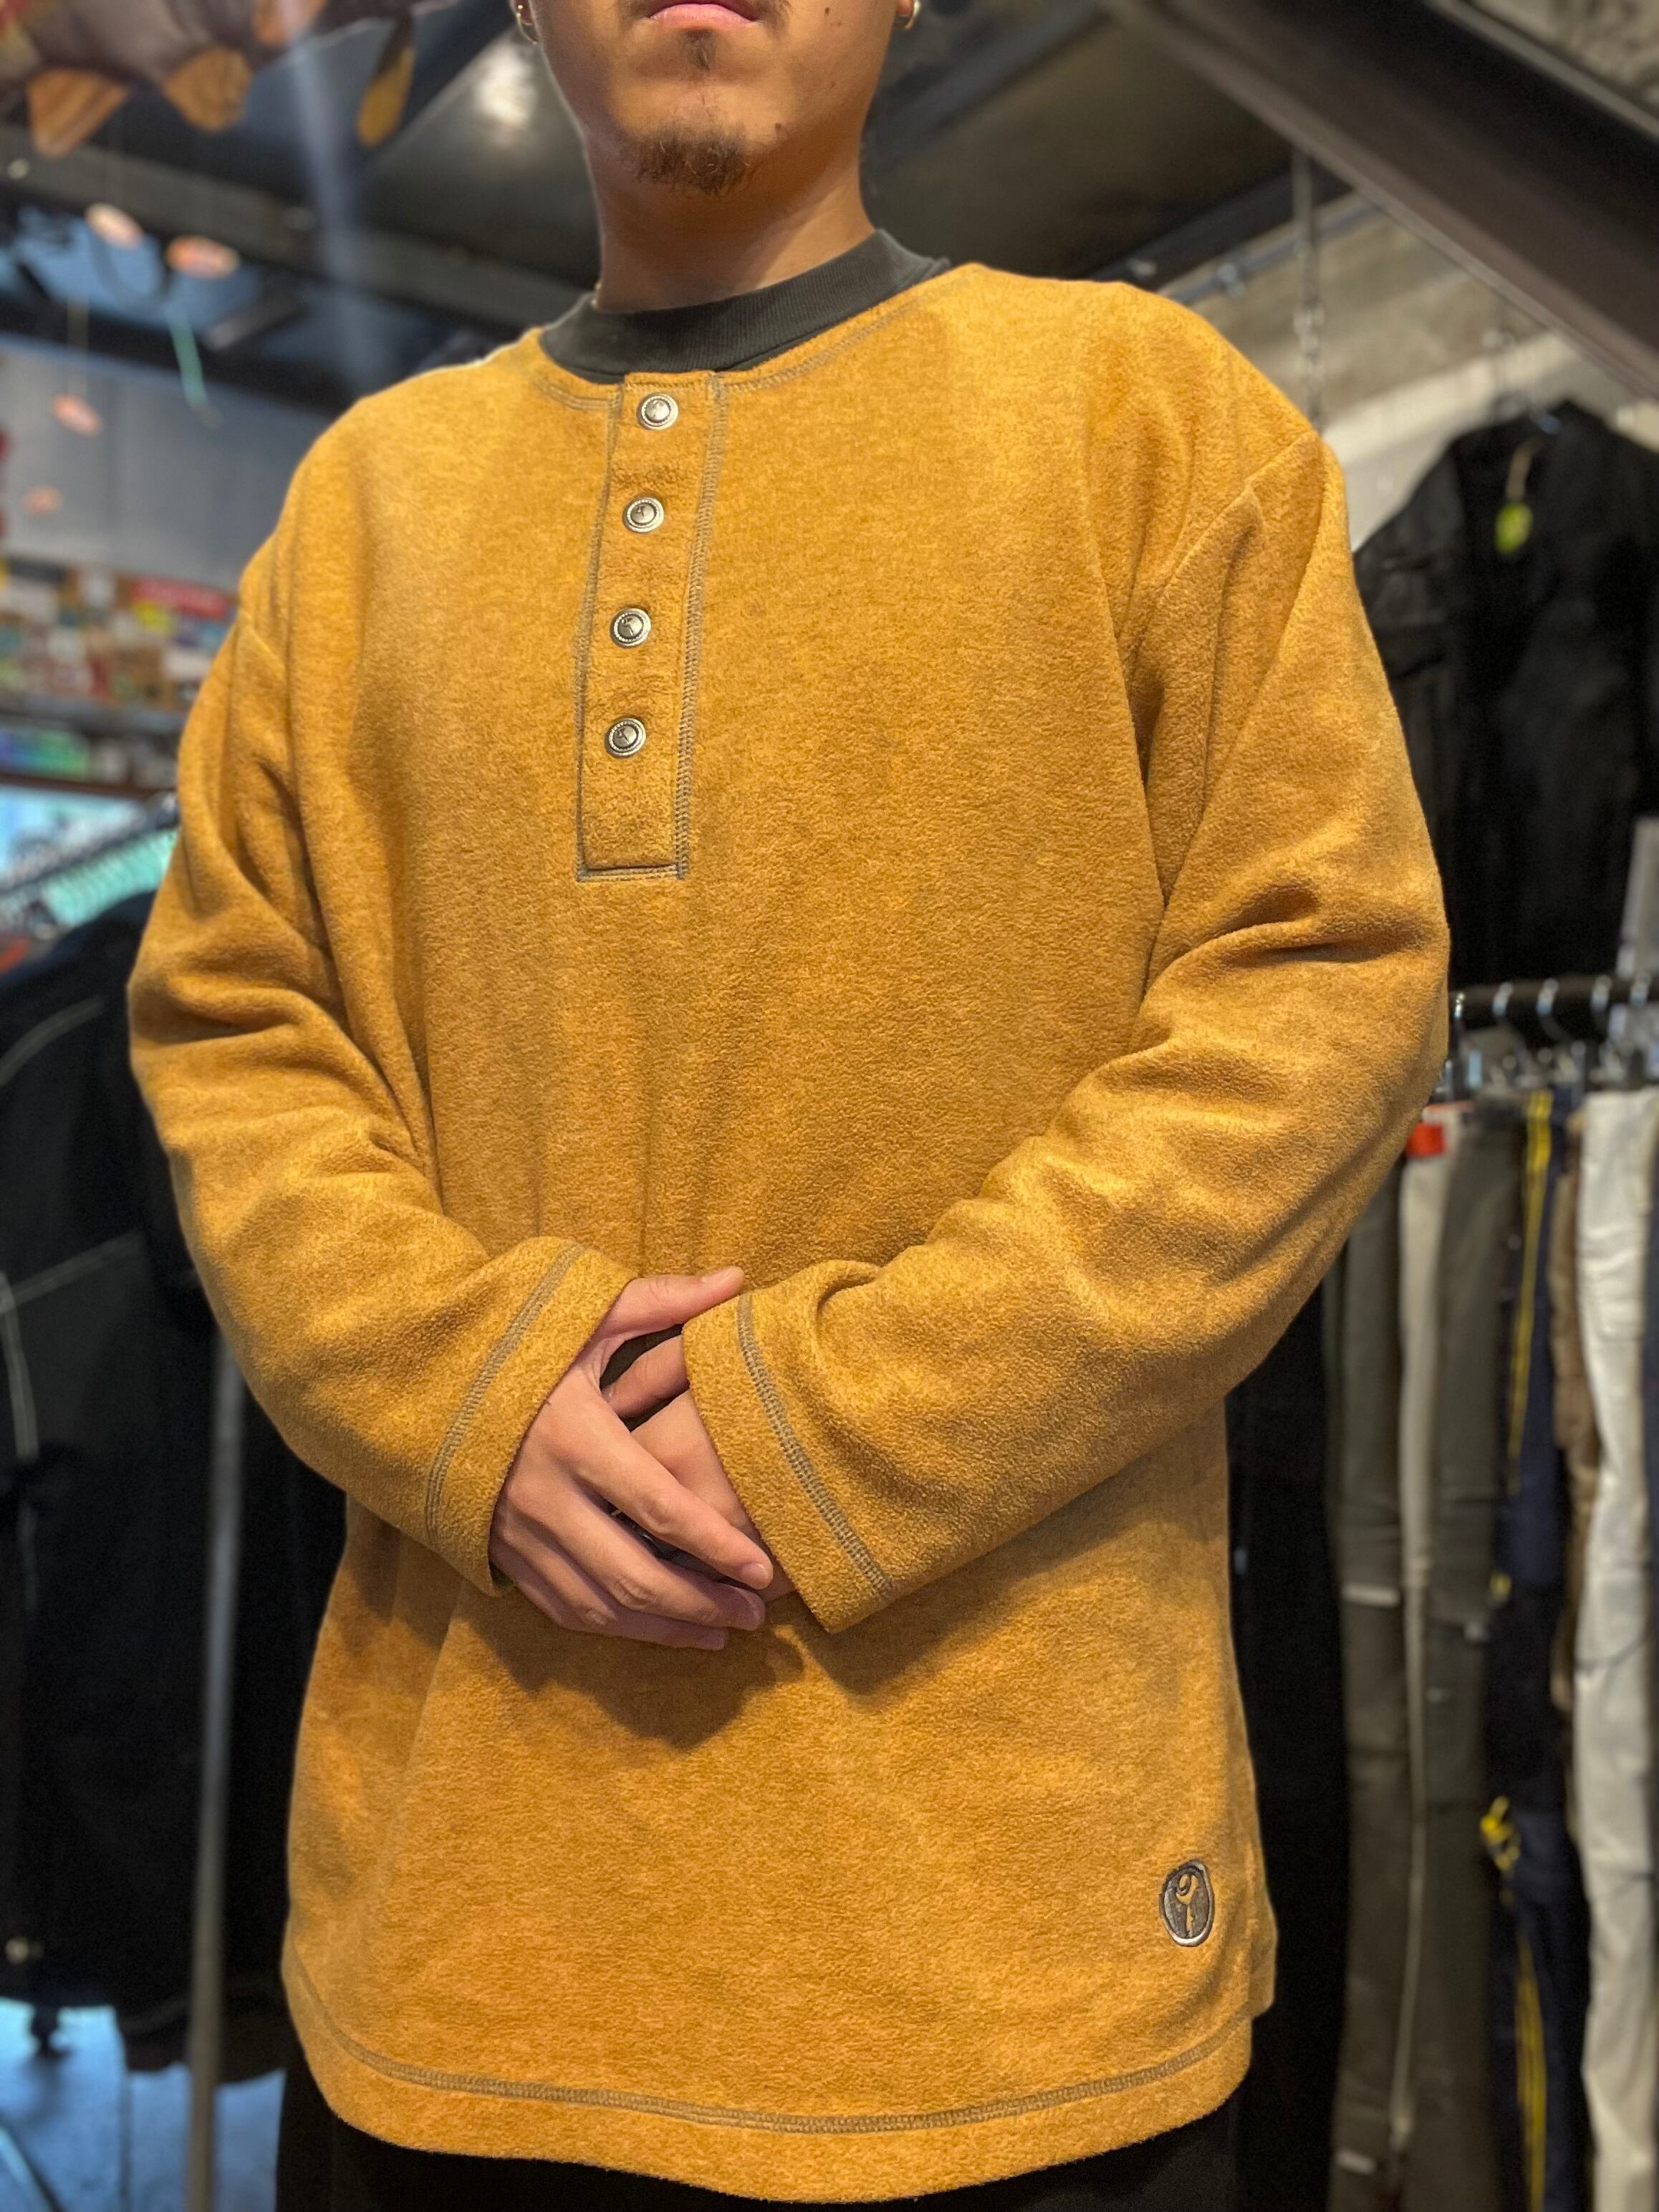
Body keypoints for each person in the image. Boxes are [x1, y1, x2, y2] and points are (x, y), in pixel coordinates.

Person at [128, 0, 1449, 2198]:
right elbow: (235, 1030)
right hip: (457, 1966)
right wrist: (462, 1391)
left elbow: (1316, 992)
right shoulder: (357, 508)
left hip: (1014, 1984)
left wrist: (830, 1427)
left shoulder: (1147, 417)